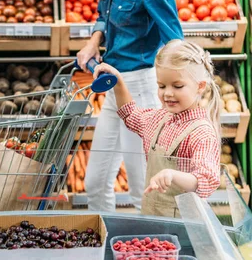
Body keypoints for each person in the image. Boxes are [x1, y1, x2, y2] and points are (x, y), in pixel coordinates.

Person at [77, 0, 183, 212]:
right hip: (114, 84)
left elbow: (174, 38)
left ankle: (145, 258)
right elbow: (105, 12)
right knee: (95, 183)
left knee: (143, 188)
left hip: (143, 90)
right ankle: (105, 254)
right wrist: (95, 40)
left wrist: (174, 95)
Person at [93, 40, 221, 218]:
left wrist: (172, 175)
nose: (167, 93)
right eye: (161, 86)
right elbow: (130, 114)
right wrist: (118, 80)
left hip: (185, 228)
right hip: (153, 218)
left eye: (177, 86)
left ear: (200, 86)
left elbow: (206, 179)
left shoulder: (201, 133)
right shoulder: (159, 118)